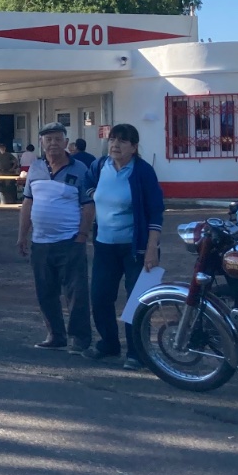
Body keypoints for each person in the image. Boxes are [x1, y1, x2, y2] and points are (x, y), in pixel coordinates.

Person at [84, 124, 164, 369]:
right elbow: (86, 185)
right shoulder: (100, 166)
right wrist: (94, 194)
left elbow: (156, 211)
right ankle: (109, 343)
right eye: (112, 140)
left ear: (134, 146)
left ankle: (137, 353)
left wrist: (151, 248)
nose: (115, 145)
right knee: (100, 296)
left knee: (137, 301)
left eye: (122, 141)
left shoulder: (142, 172)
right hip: (104, 246)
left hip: (136, 248)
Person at [18, 122, 95, 353]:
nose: (53, 143)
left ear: (66, 142)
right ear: (42, 143)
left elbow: (88, 205)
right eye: (48, 139)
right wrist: (22, 235)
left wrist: (82, 234)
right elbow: (27, 203)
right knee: (45, 292)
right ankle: (55, 335)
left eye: (57, 139)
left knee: (76, 293)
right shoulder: (35, 168)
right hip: (40, 243)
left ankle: (80, 338)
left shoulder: (80, 169)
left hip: (70, 241)